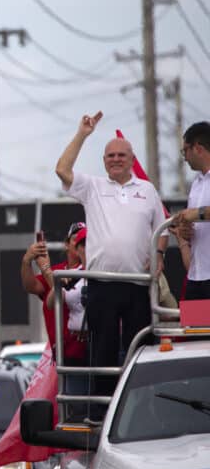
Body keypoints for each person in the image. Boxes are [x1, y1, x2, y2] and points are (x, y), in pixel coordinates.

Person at [56, 111, 167, 400]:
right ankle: (101, 413)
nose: (116, 159)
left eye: (121, 155)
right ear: (104, 161)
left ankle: (141, 406)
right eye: (110, 156)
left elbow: (161, 230)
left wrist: (158, 254)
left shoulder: (148, 189)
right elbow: (62, 170)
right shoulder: (93, 187)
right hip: (102, 283)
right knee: (102, 350)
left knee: (140, 349)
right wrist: (83, 134)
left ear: (132, 159)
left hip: (139, 284)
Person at [43, 228, 90, 419]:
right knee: (77, 407)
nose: (88, 248)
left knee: (105, 402)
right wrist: (55, 280)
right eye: (83, 245)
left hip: (104, 344)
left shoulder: (110, 271)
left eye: (91, 243)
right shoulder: (71, 274)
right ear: (77, 250)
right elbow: (50, 302)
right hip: (77, 349)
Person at [21, 222, 86, 352]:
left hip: (86, 349)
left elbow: (64, 296)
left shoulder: (90, 269)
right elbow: (31, 286)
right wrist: (27, 260)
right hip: (62, 352)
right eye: (76, 239)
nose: (81, 245)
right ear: (66, 245)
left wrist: (46, 269)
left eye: (84, 241)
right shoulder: (57, 270)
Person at [172, 121, 210, 300]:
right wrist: (185, 231)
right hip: (196, 276)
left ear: (198, 148)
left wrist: (195, 214)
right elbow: (193, 224)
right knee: (192, 328)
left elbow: (196, 214)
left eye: (185, 150)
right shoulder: (196, 183)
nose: (184, 157)